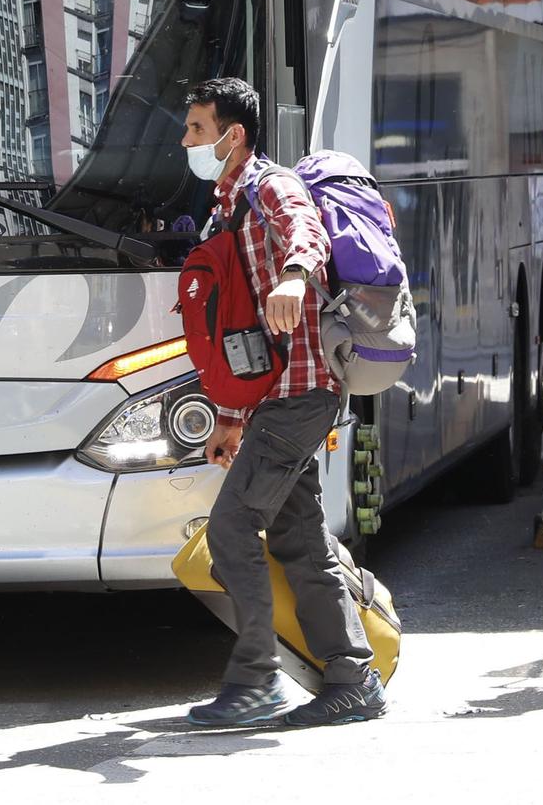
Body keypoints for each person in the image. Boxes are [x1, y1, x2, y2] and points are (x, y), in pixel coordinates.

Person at [181, 78, 382, 728]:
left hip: (302, 394)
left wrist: (297, 274)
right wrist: (235, 418)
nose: (186, 142)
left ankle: (257, 680)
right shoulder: (228, 204)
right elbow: (248, 325)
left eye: (196, 129)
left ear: (232, 135)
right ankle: (354, 680)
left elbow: (307, 233)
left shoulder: (270, 186)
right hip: (280, 397)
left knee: (231, 529)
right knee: (298, 537)